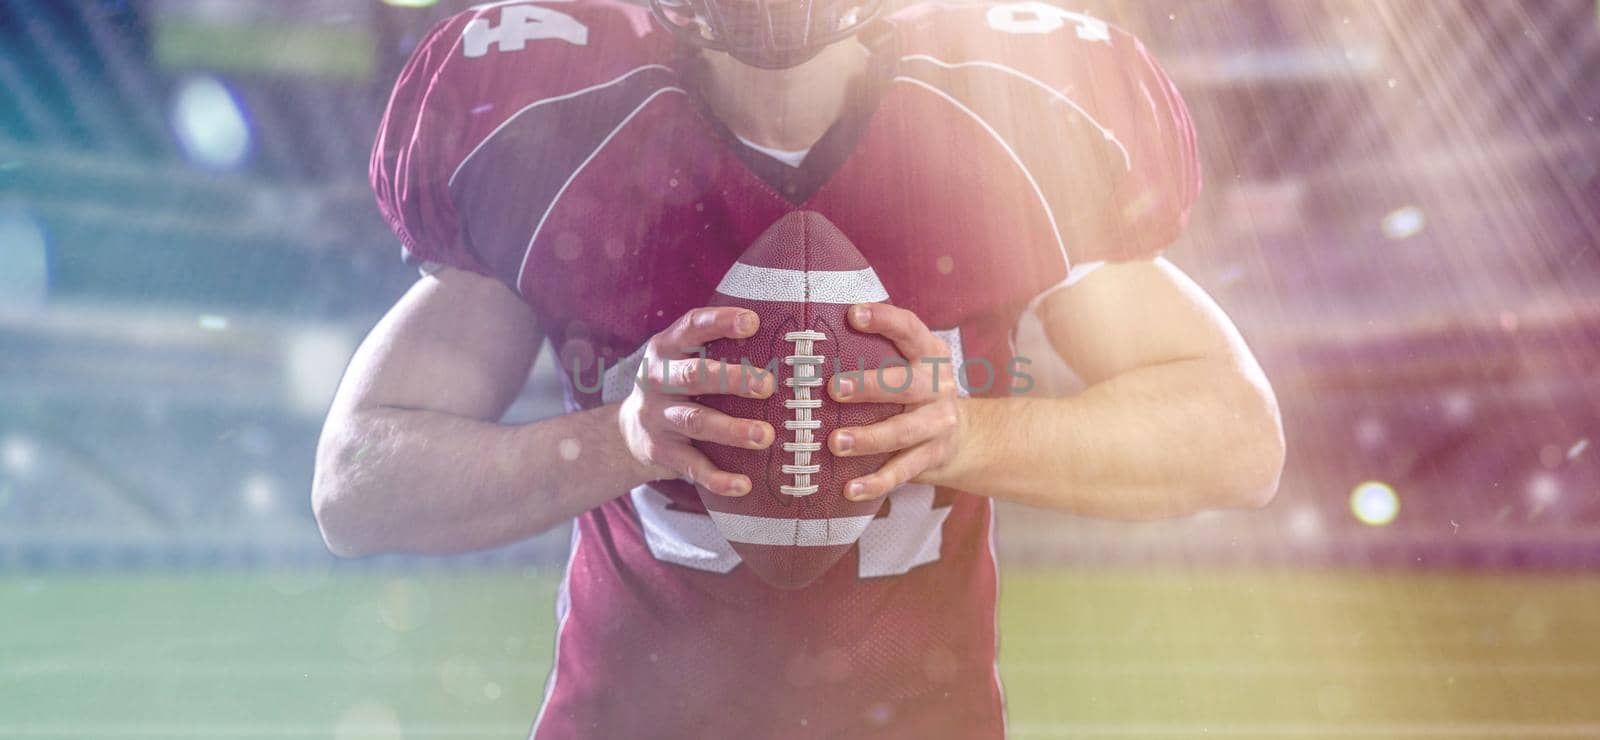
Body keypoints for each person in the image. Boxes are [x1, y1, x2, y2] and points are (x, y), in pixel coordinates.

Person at [313, 0, 1285, 735]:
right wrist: (623, 438)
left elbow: (1237, 436)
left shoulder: (1006, 115)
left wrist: (967, 430)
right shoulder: (554, 126)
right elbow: (355, 482)